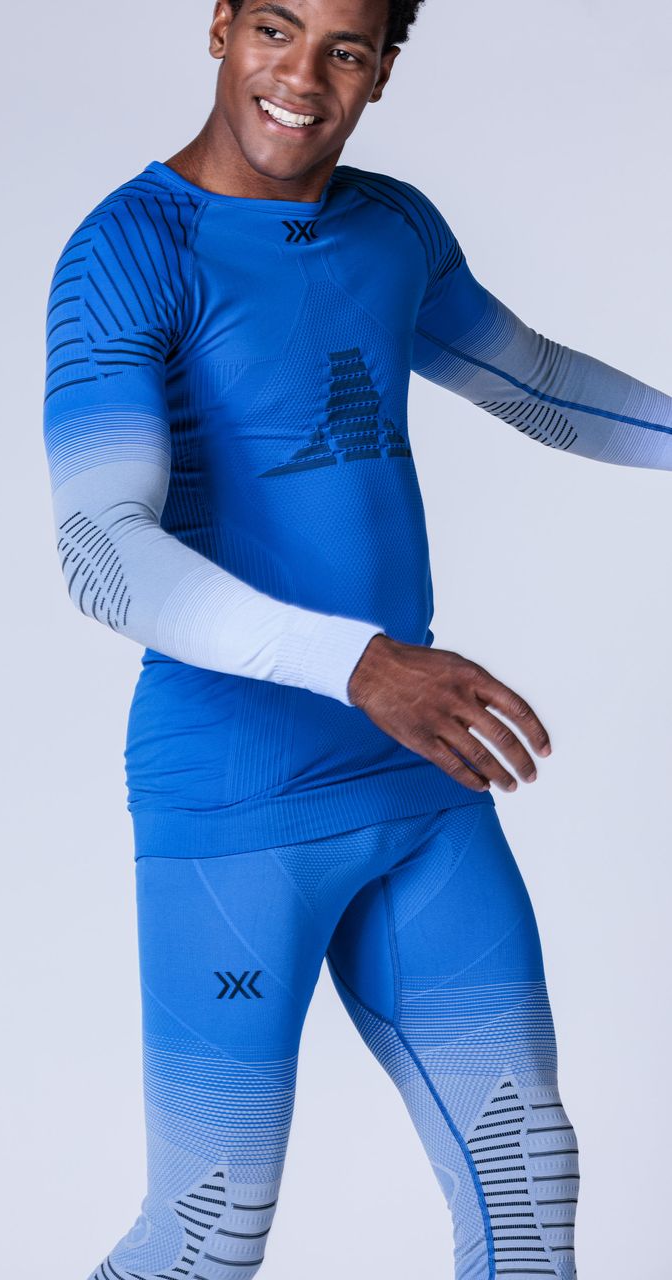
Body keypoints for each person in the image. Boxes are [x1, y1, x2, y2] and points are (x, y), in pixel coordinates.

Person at [41, 2, 670, 1276]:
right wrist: (359, 663)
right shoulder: (130, 251)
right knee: (205, 1232)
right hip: (238, 792)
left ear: (382, 68)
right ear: (219, 26)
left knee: (523, 1174)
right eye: (273, 29)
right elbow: (102, 549)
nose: (300, 76)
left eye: (343, 47)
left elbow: (537, 383)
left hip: (413, 773)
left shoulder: (391, 229)